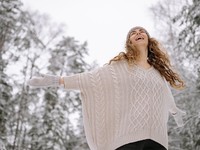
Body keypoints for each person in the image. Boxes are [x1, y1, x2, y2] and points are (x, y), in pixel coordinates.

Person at [27, 26, 186, 150]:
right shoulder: (121, 66)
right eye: (133, 32)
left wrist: (175, 111)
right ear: (129, 42)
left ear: (149, 40)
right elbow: (90, 79)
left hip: (158, 141)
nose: (138, 32)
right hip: (129, 138)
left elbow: (165, 94)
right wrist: (58, 80)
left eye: (142, 31)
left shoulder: (157, 73)